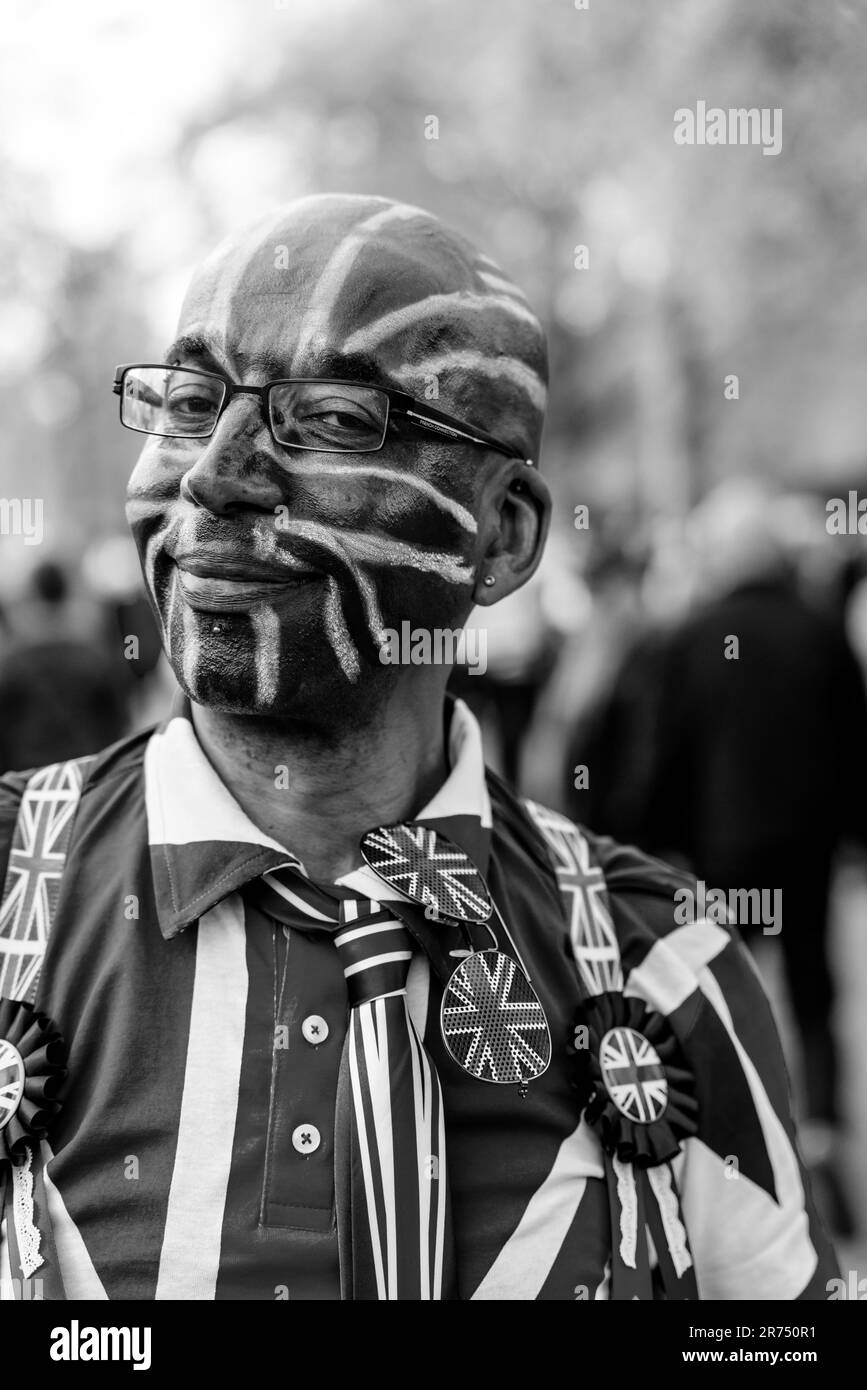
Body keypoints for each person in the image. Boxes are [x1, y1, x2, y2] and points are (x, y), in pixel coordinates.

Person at [0, 197, 836, 1300]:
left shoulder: (665, 969)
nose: (215, 473)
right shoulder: (18, 887)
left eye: (338, 419)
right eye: (193, 401)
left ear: (505, 534)